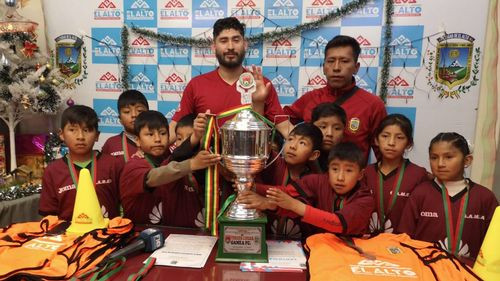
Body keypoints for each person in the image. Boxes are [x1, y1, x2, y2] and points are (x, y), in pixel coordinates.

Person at [170, 17, 293, 143]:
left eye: (236, 40)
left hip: (250, 160)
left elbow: (285, 128)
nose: (230, 47)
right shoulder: (196, 85)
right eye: (223, 41)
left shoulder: (262, 85)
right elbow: (174, 129)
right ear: (214, 47)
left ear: (244, 44)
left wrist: (311, 145)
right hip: (207, 161)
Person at [397, 132, 499, 264]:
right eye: (434, 158)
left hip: (470, 273)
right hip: (426, 271)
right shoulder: (420, 193)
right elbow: (404, 239)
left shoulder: (485, 197)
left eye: (449, 157)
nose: (440, 164)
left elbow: (495, 244)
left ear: (467, 160)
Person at [284, 35, 387, 161]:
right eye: (331, 61)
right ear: (324, 67)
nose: (336, 68)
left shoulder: (373, 105)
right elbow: (279, 121)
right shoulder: (310, 98)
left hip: (350, 178)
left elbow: (384, 157)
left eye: (344, 61)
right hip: (308, 178)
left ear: (356, 67)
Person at [240, 142, 374, 236]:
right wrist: (256, 189)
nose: (340, 177)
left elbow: (337, 223)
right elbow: (286, 193)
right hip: (318, 250)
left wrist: (295, 205)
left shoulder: (365, 198)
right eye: (335, 169)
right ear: (328, 169)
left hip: (352, 253)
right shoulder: (318, 180)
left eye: (349, 170)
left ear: (360, 175)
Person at [119, 111, 221, 227]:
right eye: (150, 135)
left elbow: (177, 156)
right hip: (140, 234)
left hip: (173, 233)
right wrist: (192, 164)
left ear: (169, 137)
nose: (157, 139)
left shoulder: (169, 157)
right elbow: (153, 177)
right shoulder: (134, 164)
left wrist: (197, 137)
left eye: (162, 133)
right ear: (137, 140)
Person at [39, 105, 121, 221]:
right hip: (68, 235)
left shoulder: (113, 165)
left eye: (87, 130)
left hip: (108, 235)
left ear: (97, 135)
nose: (80, 137)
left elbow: (127, 203)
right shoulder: (52, 171)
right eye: (72, 130)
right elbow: (49, 215)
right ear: (62, 134)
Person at [364, 114, 428, 234]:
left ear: (409, 143)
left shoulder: (419, 174)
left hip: (403, 245)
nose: (391, 143)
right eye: (385, 136)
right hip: (367, 243)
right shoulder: (365, 173)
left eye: (399, 137)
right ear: (376, 140)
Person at [255, 123, 322, 238]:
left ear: (314, 155)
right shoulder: (274, 164)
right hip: (266, 240)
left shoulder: (314, 180)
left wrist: (255, 187)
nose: (293, 146)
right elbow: (258, 143)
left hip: (302, 243)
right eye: (290, 139)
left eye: (302, 143)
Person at [101, 90, 149, 166]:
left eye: (139, 110)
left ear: (148, 114)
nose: (134, 115)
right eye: (127, 111)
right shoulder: (111, 144)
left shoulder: (157, 141)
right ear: (120, 118)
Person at [311, 102, 346, 172]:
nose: (329, 133)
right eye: (323, 127)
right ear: (312, 127)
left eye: (337, 128)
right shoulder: (301, 157)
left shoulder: (348, 161)